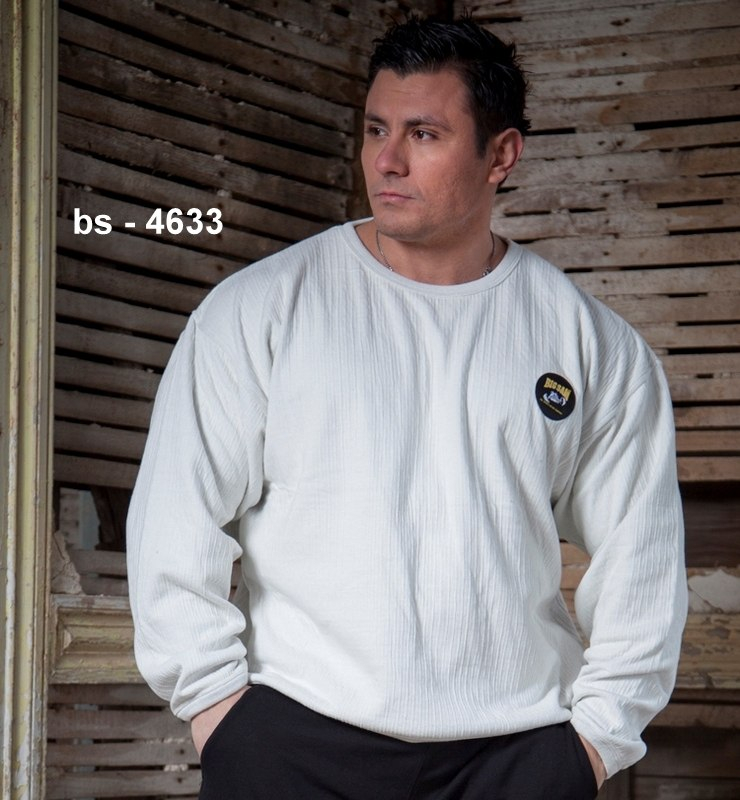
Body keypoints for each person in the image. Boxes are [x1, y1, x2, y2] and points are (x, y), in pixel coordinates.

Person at [127, 15, 687, 800]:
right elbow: (172, 523)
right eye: (375, 130)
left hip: (515, 759)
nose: (386, 160)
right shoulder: (259, 311)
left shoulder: (593, 344)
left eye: (424, 134)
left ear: (501, 155)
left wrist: (592, 745)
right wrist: (219, 711)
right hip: (291, 746)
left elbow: (643, 563)